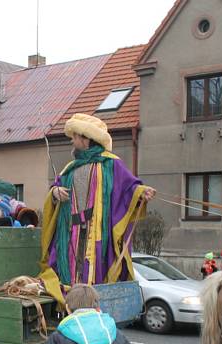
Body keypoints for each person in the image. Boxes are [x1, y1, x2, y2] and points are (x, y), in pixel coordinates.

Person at [40, 113, 156, 303]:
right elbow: (55, 188)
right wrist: (55, 193)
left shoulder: (111, 163)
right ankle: (68, 308)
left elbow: (128, 187)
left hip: (96, 234)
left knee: (93, 273)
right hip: (70, 233)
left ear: (86, 139)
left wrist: (141, 192)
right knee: (68, 273)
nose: (72, 141)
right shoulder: (70, 167)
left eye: (75, 137)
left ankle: (93, 309)